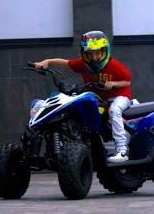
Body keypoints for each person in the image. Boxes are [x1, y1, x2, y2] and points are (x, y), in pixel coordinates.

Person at [34, 30, 133, 163]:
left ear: (105, 51)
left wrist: (113, 84)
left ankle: (122, 150)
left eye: (98, 53)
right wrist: (47, 62)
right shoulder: (83, 64)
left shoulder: (114, 65)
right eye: (90, 54)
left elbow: (127, 81)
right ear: (84, 54)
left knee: (114, 110)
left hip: (119, 96)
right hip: (98, 98)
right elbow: (65, 63)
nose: (95, 58)